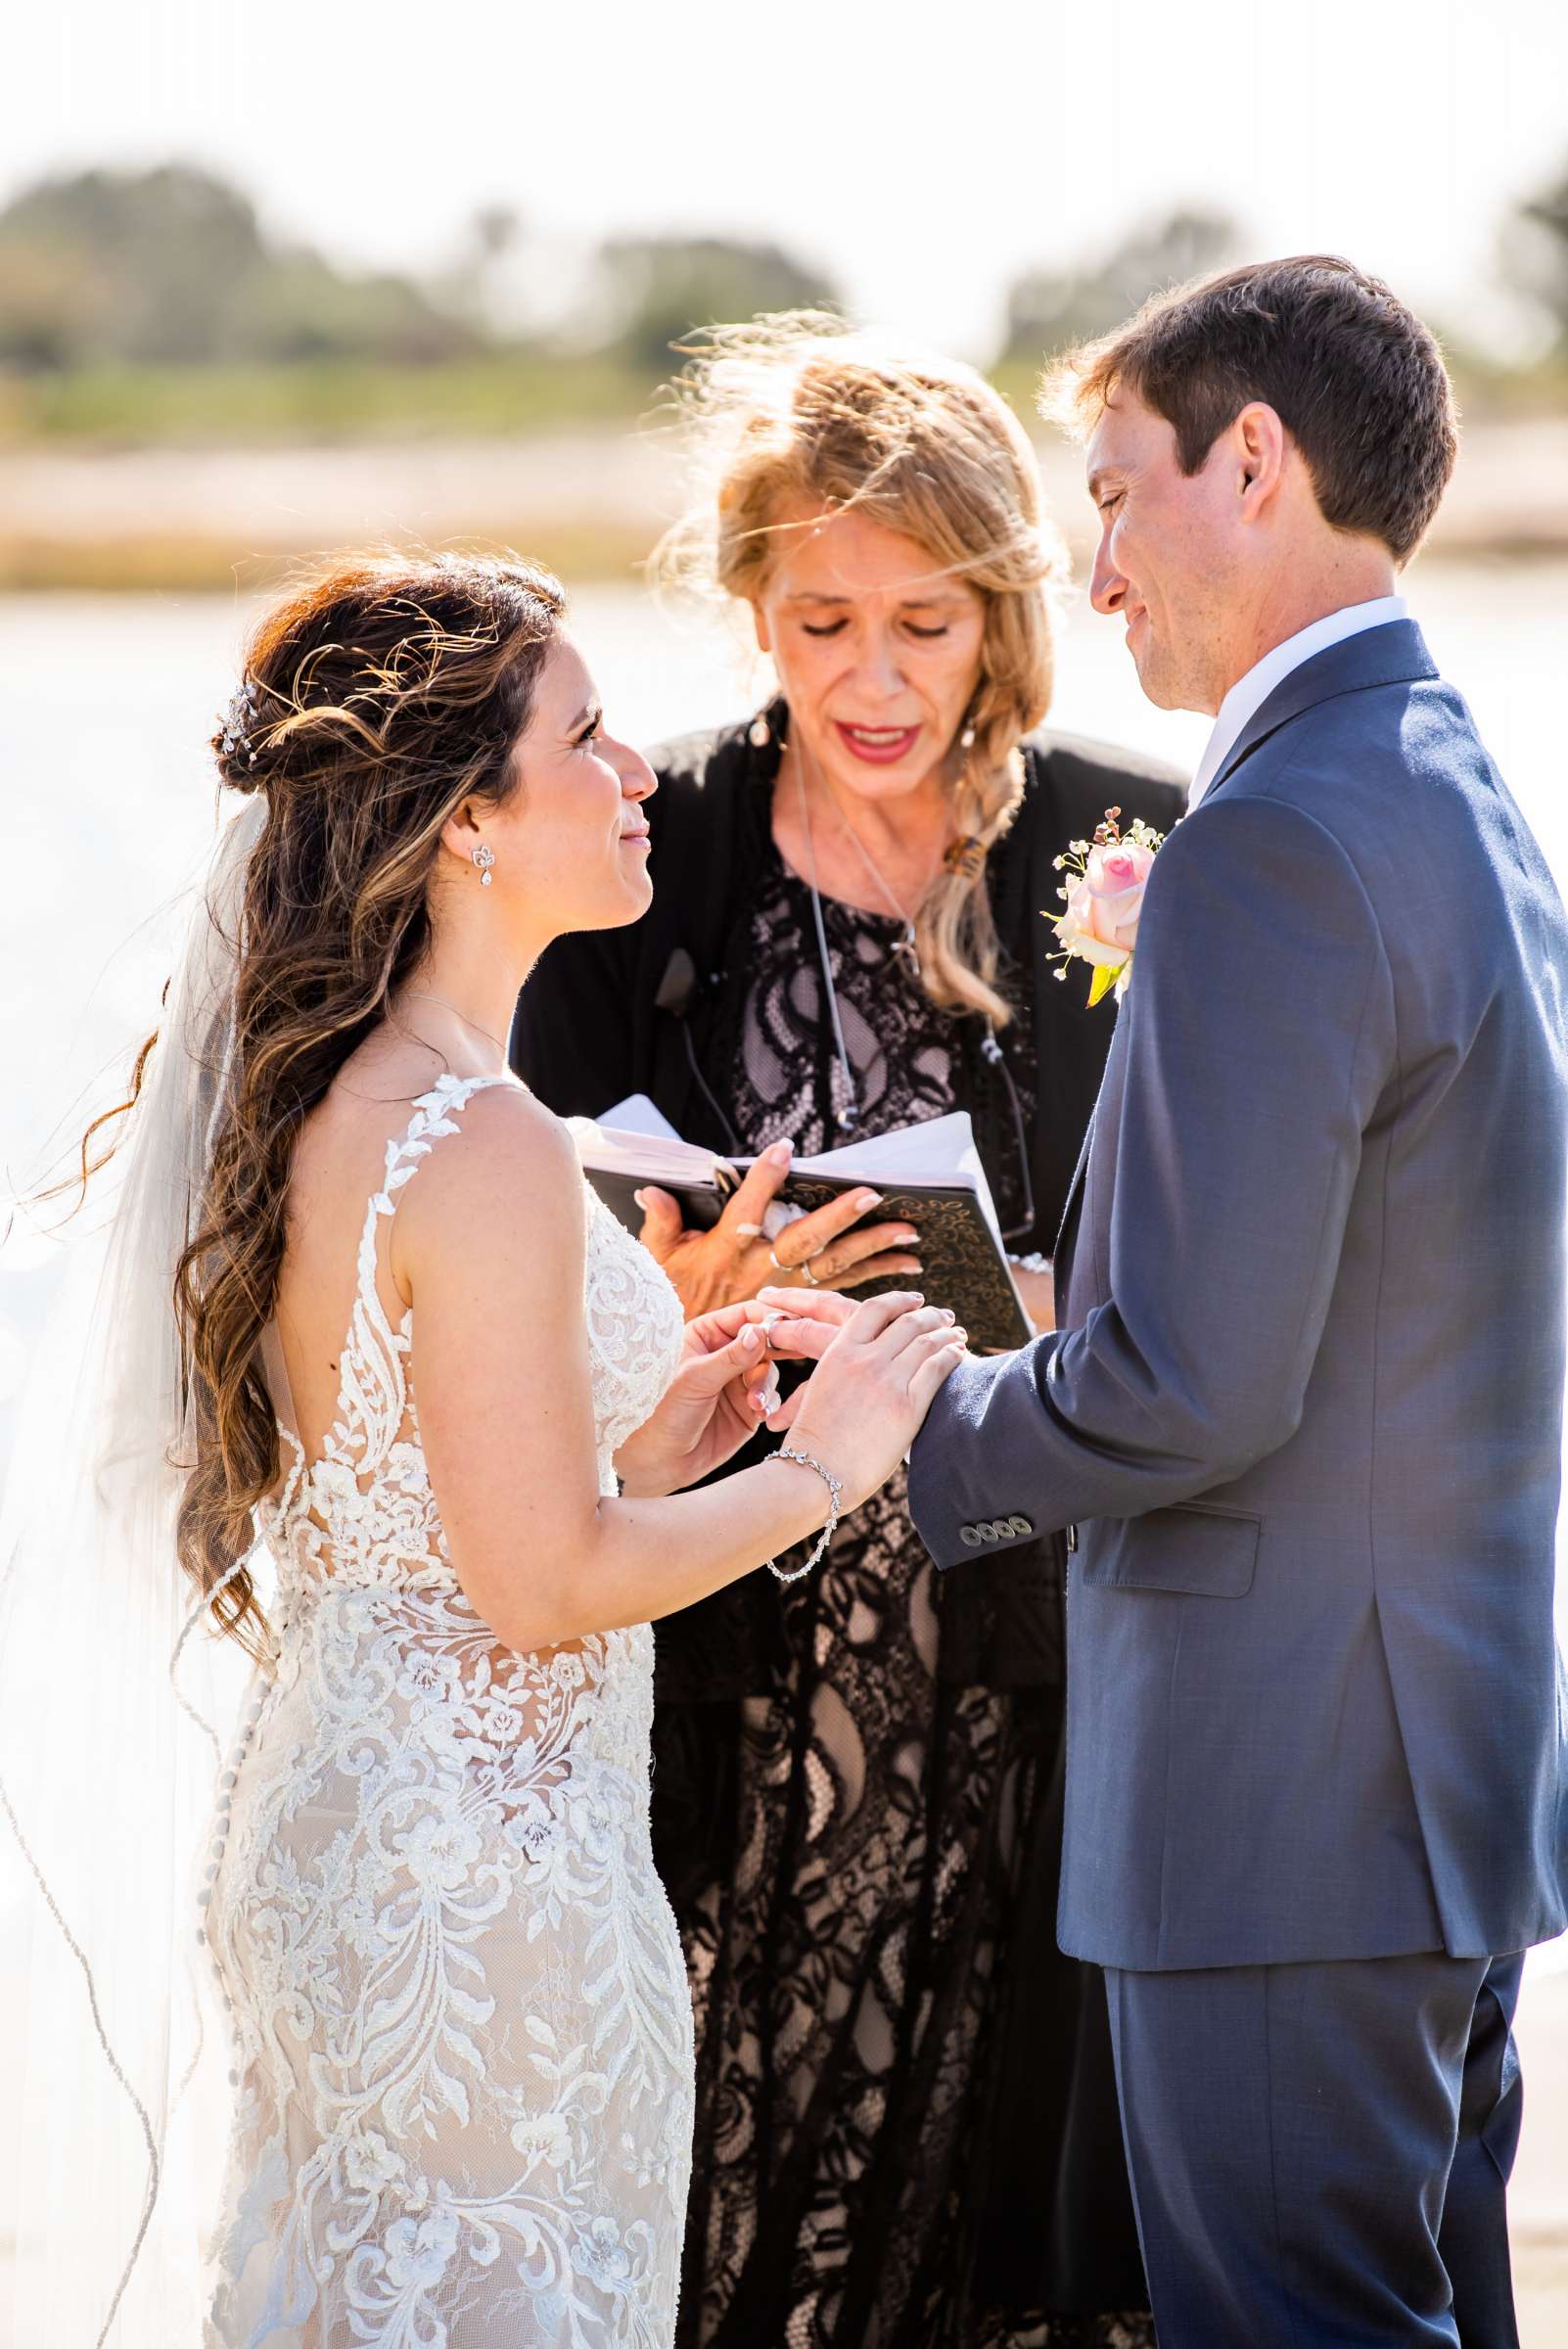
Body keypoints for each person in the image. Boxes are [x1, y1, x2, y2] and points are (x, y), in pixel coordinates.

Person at [0, 552, 966, 2349]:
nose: (639, 776)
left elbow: (435, 1514)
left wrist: (664, 1444)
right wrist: (824, 1460)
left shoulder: (334, 1101)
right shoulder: (491, 1143)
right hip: (491, 1883)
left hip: (347, 1825)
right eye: (585, 740)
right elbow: (539, 1588)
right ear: (462, 821)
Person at [894, 256, 1568, 2347]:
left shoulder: (1272, 839)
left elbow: (1187, 1394)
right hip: (1424, 1786)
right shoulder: (1452, 787)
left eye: (1113, 494)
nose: (1093, 570)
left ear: (1251, 463)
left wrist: (909, 1415)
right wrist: (1079, 1293)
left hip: (1281, 1815)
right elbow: (1378, 1292)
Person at [513, 320, 1182, 2347]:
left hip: (1022, 1624)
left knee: (991, 2150)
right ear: (749, 611)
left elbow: (1235, 1231)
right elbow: (521, 1206)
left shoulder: (1116, 843)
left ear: (1005, 612)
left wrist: (1087, 1296)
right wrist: (663, 1289)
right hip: (727, 1620)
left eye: (925, 622)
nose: (874, 679)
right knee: (727, 2141)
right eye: (821, 620)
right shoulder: (649, 853)